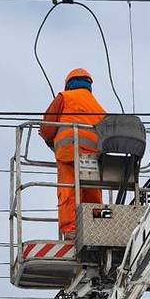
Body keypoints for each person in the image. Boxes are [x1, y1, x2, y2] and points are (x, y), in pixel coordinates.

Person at [39, 68, 106, 238]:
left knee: (68, 190)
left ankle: (70, 230)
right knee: (92, 193)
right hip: (92, 157)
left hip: (68, 153)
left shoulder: (64, 97)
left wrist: (49, 141)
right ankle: (97, 229)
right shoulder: (98, 107)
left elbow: (47, 127)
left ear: (68, 84)